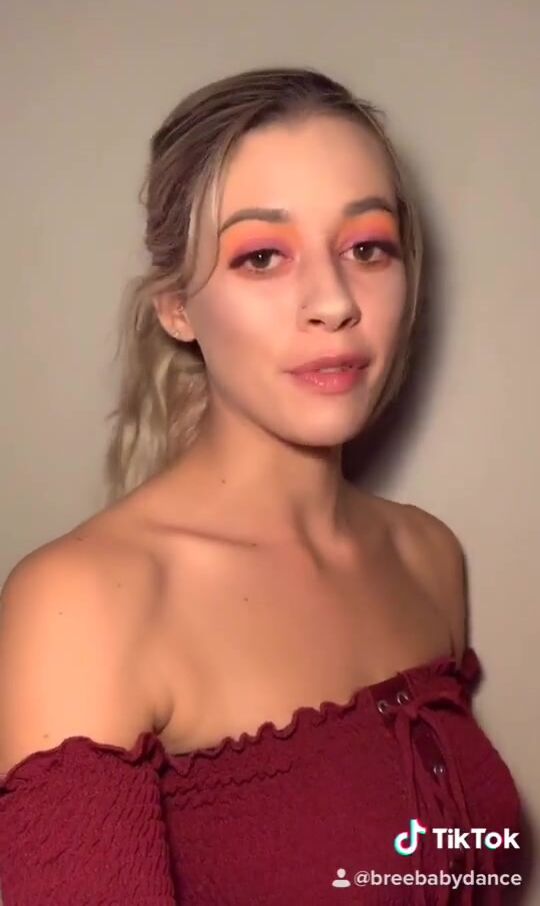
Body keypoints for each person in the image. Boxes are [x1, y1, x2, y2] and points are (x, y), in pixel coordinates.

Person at [0, 66, 523, 905]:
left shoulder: (427, 557)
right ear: (177, 306)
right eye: (262, 256)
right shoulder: (83, 606)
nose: (334, 301)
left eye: (367, 247)